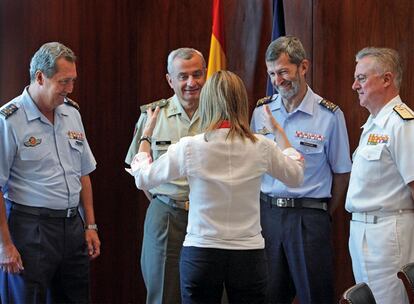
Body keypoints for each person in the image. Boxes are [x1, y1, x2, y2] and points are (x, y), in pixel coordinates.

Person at [127, 70, 304, 303]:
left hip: (201, 252)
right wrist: (279, 133)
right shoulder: (261, 146)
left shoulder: (191, 146)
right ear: (241, 102)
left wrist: (145, 138)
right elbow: (296, 176)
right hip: (248, 255)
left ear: (207, 103)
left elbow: (143, 178)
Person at [250, 35, 352, 304]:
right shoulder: (262, 111)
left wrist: (318, 210)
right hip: (267, 216)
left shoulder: (329, 115)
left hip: (309, 217)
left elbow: (341, 173)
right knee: (266, 295)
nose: (277, 80)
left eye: (283, 71)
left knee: (315, 295)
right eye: (272, 73)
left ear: (303, 67)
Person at [0, 42, 100, 303]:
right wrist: (4, 245)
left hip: (72, 228)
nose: (69, 90)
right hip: (31, 228)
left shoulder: (71, 113)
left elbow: (83, 173)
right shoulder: (9, 120)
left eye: (73, 81)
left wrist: (90, 224)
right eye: (63, 82)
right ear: (40, 77)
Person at [124, 47, 206, 304]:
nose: (191, 83)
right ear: (170, 80)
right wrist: (167, 200)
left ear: (206, 74)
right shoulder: (152, 116)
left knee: (211, 292)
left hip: (210, 216)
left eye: (197, 74)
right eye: (183, 76)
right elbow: (140, 172)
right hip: (167, 214)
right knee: (163, 293)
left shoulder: (221, 114)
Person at [346, 47, 414, 304]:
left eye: (362, 78)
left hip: (389, 233)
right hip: (363, 231)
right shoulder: (373, 124)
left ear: (386, 79)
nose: (354, 85)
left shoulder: (402, 123)